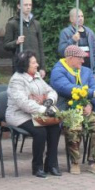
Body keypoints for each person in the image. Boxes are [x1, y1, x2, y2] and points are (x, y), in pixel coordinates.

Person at [50, 45, 95, 175]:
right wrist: (93, 94)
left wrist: (91, 105)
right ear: (70, 58)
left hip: (86, 110)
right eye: (80, 59)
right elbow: (68, 88)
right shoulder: (58, 71)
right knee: (74, 126)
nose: (83, 61)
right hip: (68, 111)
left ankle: (94, 162)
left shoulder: (86, 71)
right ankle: (75, 162)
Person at [6, 50, 61, 178]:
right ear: (25, 65)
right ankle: (37, 167)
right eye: (34, 63)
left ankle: (51, 164)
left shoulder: (36, 76)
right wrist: (44, 110)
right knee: (40, 131)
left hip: (37, 112)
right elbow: (23, 103)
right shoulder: (16, 80)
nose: (37, 65)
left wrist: (49, 101)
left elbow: (51, 90)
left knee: (54, 127)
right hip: (19, 115)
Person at [3, 0, 45, 75]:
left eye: (30, 5)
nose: (28, 7)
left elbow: (40, 47)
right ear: (19, 6)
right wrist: (16, 42)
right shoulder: (12, 24)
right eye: (25, 5)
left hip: (35, 66)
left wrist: (42, 67)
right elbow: (6, 45)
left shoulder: (36, 24)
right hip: (20, 65)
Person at [58, 8, 95, 75]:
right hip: (73, 71)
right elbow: (62, 51)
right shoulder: (66, 32)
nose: (81, 18)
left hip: (89, 71)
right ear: (71, 19)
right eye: (78, 16)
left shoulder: (90, 33)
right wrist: (72, 40)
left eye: (82, 16)